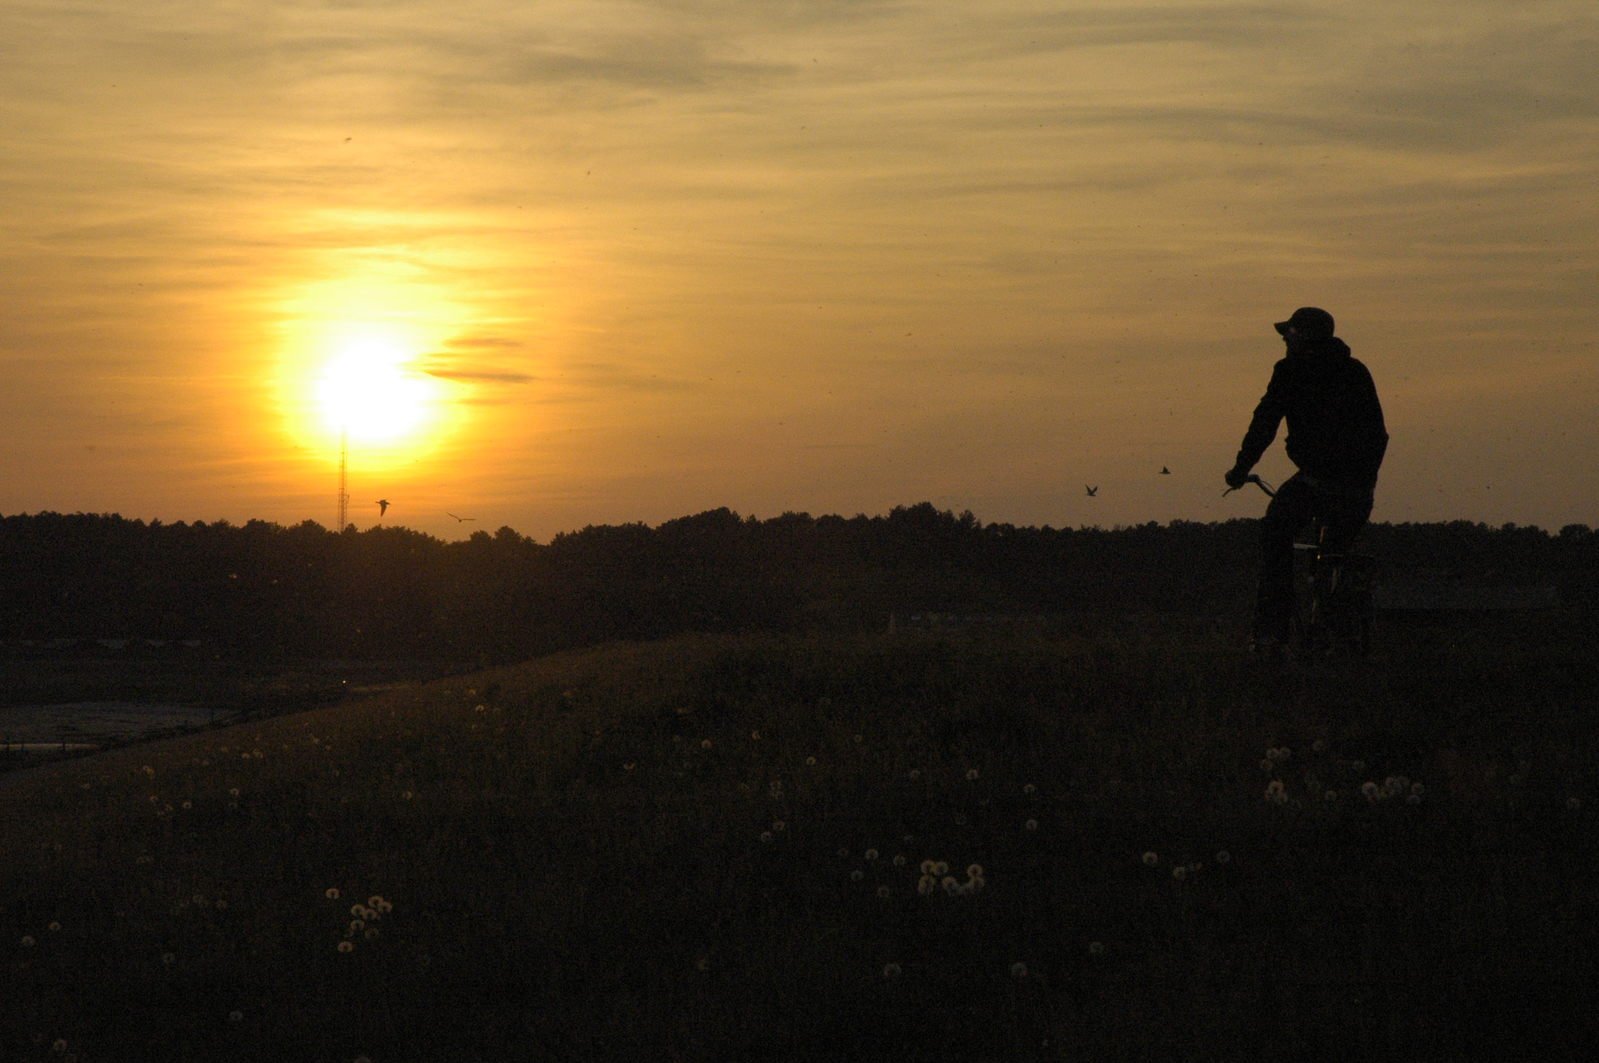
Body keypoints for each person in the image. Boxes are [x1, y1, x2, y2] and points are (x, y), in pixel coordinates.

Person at [1225, 307, 1388, 652]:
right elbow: (1378, 434)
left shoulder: (1290, 372)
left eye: (1289, 334)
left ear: (1301, 338)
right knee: (1336, 553)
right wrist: (1364, 480)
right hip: (1356, 487)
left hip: (1314, 481)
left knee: (1276, 533)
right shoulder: (1355, 372)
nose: (1284, 339)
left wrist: (1241, 468)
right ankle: (1337, 623)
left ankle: (1270, 633)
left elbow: (1264, 423)